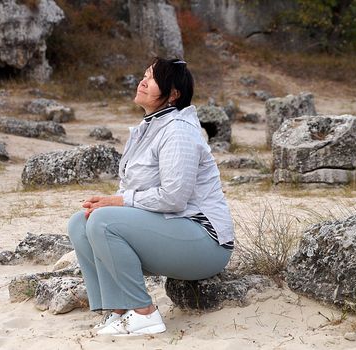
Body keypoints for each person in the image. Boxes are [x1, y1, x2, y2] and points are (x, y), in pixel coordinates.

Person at [67, 57, 234, 336]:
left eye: (153, 78)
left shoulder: (178, 131)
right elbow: (135, 192)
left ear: (173, 94)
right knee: (80, 222)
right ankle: (119, 309)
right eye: (144, 75)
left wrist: (116, 202)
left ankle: (144, 313)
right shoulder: (147, 128)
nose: (142, 81)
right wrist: (109, 202)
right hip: (173, 232)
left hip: (205, 243)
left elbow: (174, 198)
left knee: (103, 221)